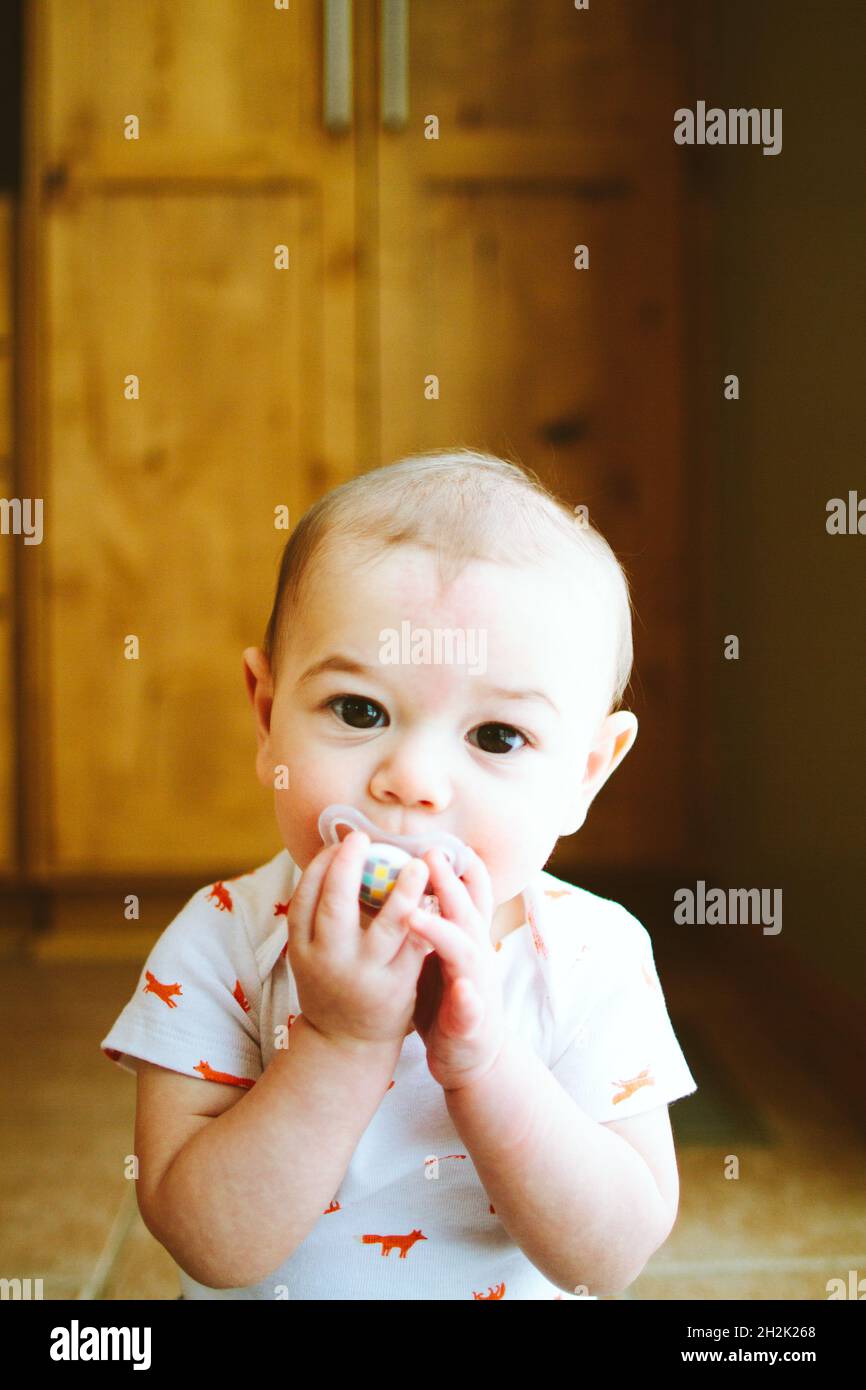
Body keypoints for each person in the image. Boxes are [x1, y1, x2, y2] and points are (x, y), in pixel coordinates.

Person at [100, 448, 697, 1300]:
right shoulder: (223, 939)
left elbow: (607, 1259)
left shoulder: (594, 957)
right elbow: (208, 1245)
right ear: (268, 717)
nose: (411, 781)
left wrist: (486, 1062)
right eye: (359, 711)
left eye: (496, 736)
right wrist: (340, 1044)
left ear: (587, 774)